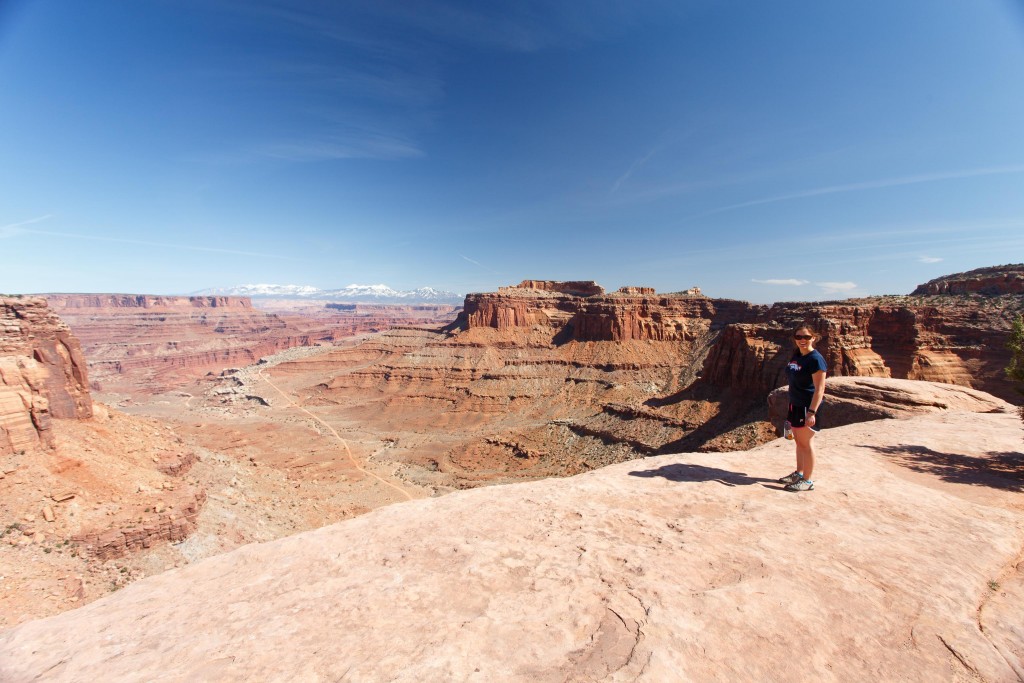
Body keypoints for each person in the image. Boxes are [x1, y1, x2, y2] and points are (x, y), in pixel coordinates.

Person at [778, 324, 826, 491]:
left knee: (806, 443)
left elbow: (820, 389)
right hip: (795, 404)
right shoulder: (797, 355)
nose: (802, 340)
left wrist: (812, 412)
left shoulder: (815, 359)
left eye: (806, 337)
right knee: (798, 442)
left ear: (813, 337)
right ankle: (799, 473)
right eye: (798, 337)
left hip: (807, 406)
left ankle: (807, 480)